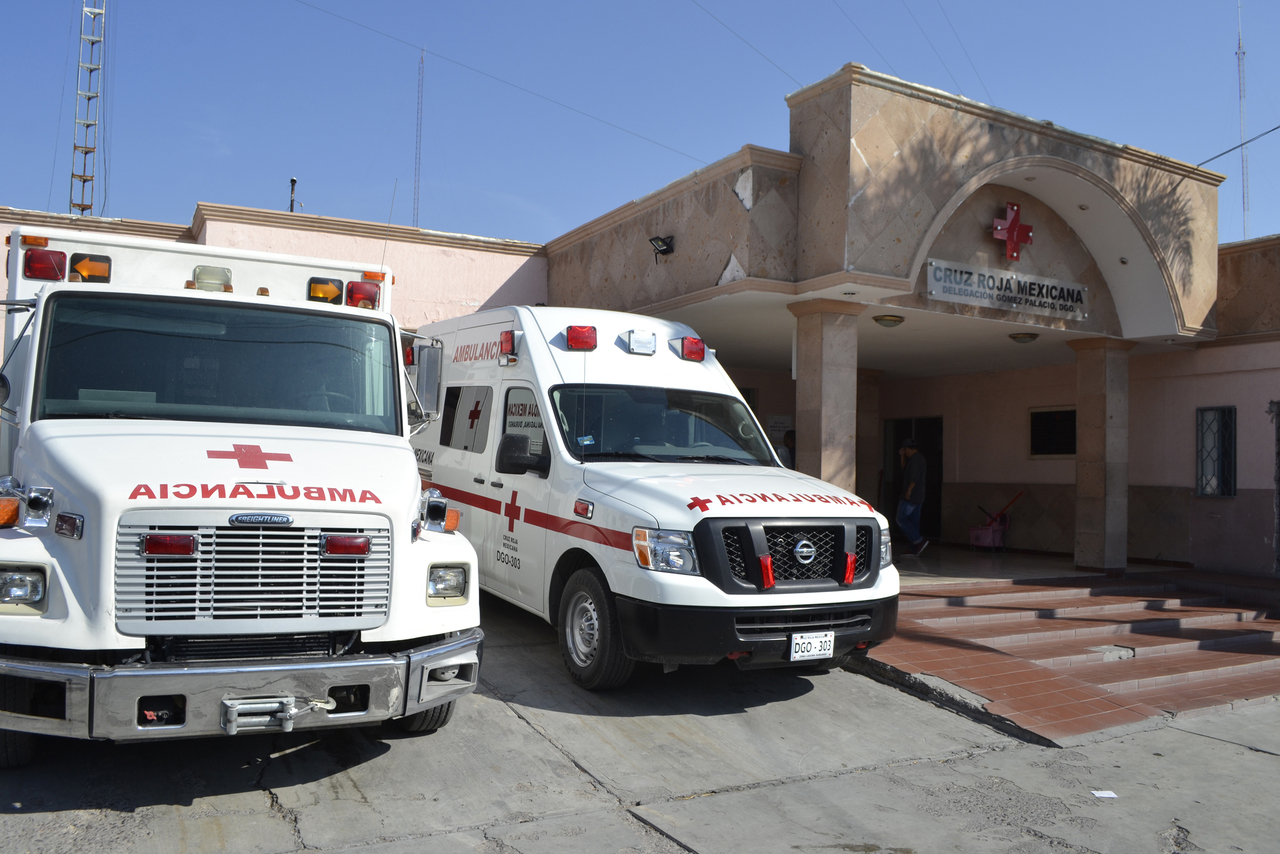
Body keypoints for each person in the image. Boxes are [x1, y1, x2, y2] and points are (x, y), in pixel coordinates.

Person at [896, 437, 928, 555]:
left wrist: (909, 490)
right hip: (919, 496)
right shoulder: (919, 458)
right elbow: (905, 468)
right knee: (914, 523)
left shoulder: (915, 459)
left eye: (905, 450)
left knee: (901, 519)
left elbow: (914, 477)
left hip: (911, 496)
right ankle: (914, 548)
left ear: (908, 449)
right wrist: (902, 456)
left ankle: (918, 541)